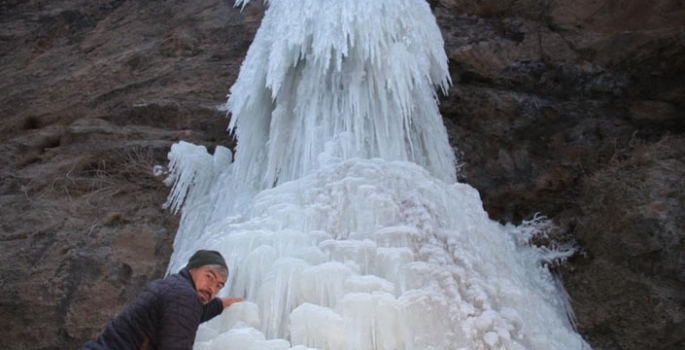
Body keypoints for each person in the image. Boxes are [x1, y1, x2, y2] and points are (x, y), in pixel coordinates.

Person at [81, 250, 243, 350]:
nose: (212, 288)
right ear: (192, 269)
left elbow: (195, 312)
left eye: (218, 286)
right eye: (209, 276)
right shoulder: (184, 296)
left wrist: (226, 303)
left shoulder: (173, 287)